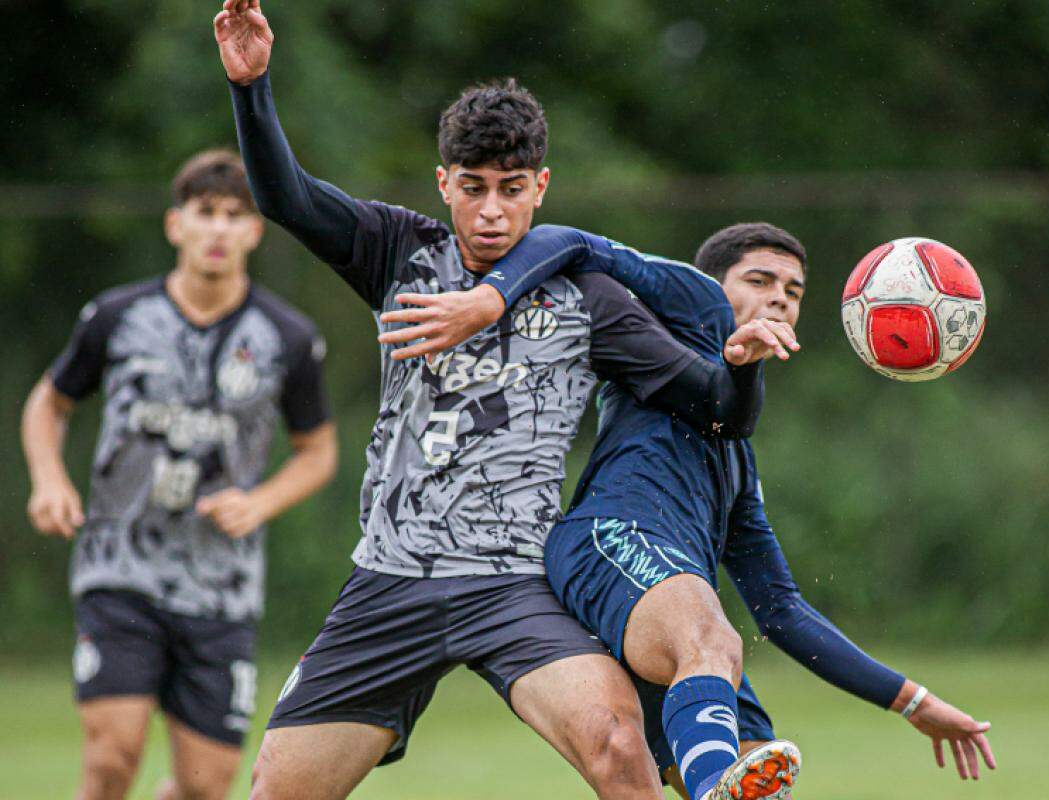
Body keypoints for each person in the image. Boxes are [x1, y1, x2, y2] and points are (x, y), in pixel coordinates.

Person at [214, 3, 799, 798]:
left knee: (620, 746)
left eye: (513, 190)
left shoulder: (590, 298)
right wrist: (251, 87)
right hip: (390, 581)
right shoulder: (398, 252)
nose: (492, 211)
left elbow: (723, 413)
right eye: (475, 188)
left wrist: (741, 365)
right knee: (277, 792)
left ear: (541, 187)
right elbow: (286, 199)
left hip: (511, 586)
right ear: (443, 183)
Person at [459, 223, 999, 799]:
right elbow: (575, 244)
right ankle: (716, 783)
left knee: (754, 761)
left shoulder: (738, 469)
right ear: (714, 284)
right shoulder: (690, 306)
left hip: (659, 601)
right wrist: (490, 294)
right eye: (760, 280)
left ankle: (714, 782)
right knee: (712, 639)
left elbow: (782, 612)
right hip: (608, 540)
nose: (779, 298)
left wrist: (913, 701)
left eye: (793, 292)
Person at [20, 148, 338, 800]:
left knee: (205, 786)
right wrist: (49, 478)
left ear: (254, 230)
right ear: (176, 225)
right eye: (205, 213)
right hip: (120, 569)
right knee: (113, 757)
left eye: (234, 215)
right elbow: (48, 403)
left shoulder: (287, 337)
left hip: (220, 586)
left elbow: (318, 451)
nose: (219, 228)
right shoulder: (117, 317)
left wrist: (260, 502)